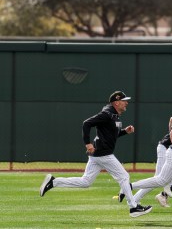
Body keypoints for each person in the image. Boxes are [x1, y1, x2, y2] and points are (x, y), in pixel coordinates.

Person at [39, 90, 152, 218]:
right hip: (104, 154)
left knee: (85, 182)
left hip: (98, 155)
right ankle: (133, 207)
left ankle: (53, 182)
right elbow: (86, 123)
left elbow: (111, 135)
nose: (126, 103)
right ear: (116, 102)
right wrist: (87, 144)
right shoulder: (107, 114)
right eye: (124, 101)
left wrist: (125, 131)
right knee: (124, 177)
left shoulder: (114, 115)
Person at [127, 95, 172, 207]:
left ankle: (165, 186)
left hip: (169, 148)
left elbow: (171, 119)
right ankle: (133, 198)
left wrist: (170, 129)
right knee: (158, 180)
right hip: (166, 147)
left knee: (169, 176)